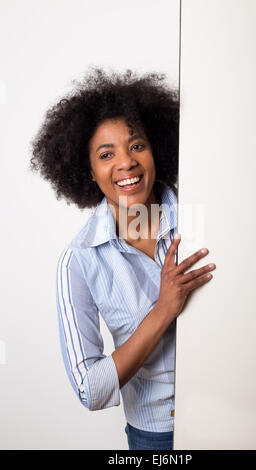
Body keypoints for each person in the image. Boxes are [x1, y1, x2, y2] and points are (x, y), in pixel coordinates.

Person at [29, 68, 216, 450]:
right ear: (88, 172)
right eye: (106, 154)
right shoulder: (80, 261)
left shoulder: (205, 216)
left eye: (136, 145)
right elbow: (90, 389)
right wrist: (164, 309)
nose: (125, 163)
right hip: (155, 437)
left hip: (236, 414)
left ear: (157, 150)